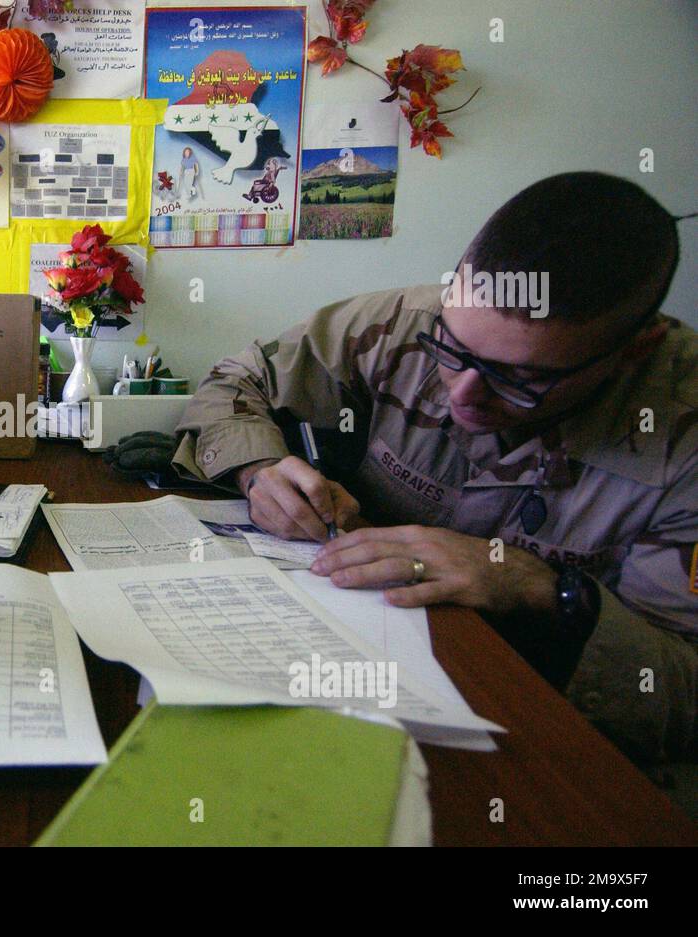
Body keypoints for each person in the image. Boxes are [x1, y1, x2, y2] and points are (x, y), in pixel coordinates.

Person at [174, 172, 696, 766]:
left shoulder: (684, 435)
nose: (463, 393)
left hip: (546, 737)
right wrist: (258, 467)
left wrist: (542, 590)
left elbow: (683, 698)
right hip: (355, 667)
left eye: (520, 379)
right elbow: (237, 379)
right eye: (453, 348)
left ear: (635, 349)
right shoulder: (405, 321)